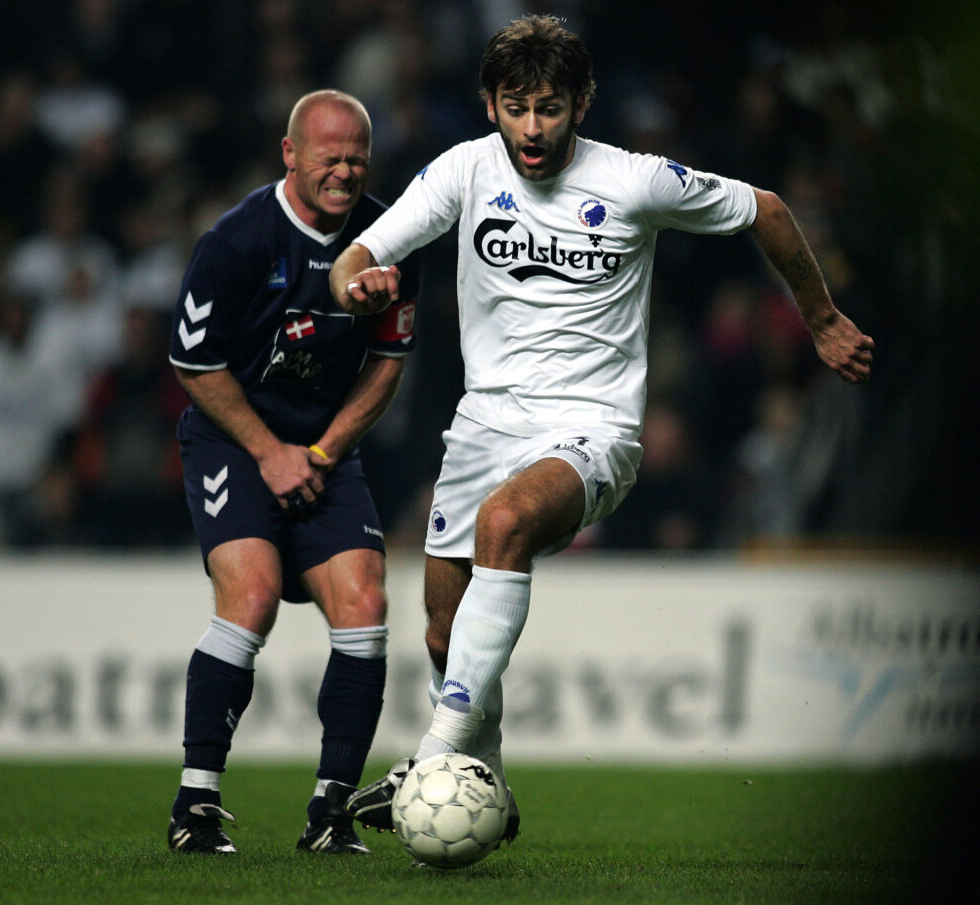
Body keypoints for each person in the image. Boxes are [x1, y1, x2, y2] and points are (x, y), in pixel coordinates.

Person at [329, 15, 874, 841]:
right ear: (490, 105)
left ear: (582, 103)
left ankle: (434, 754)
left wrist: (822, 316)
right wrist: (354, 289)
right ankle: (490, 784)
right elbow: (357, 255)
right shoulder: (463, 173)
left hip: (592, 430)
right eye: (517, 107)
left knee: (503, 524)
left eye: (550, 107)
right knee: (445, 628)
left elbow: (763, 208)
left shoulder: (635, 181)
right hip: (483, 427)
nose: (534, 127)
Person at [165, 89, 419, 855]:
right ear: (290, 155)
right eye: (328, 157)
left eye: (355, 159)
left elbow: (387, 363)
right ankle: (195, 805)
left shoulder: (388, 240)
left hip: (322, 449)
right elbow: (193, 361)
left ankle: (329, 813)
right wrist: (270, 453)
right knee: (253, 595)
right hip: (231, 442)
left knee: (367, 599)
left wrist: (321, 453)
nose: (343, 172)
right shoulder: (237, 240)